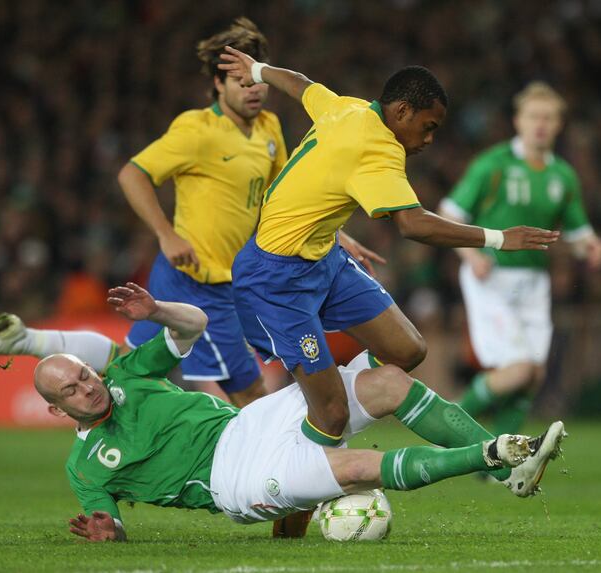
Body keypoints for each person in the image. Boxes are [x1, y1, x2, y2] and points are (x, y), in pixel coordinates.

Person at [0, 18, 381, 409]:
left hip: (233, 278)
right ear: (217, 83)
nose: (253, 89)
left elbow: (283, 192)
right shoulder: (196, 130)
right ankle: (280, 483)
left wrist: (337, 235)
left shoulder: (268, 128)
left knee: (131, 362)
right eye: (240, 81)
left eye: (256, 79)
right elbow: (132, 174)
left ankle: (26, 338)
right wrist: (164, 233)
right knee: (250, 393)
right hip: (202, 281)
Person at [217, 47, 560, 449]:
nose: (429, 139)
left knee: (407, 348)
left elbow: (303, 85)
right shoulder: (378, 147)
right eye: (428, 127)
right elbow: (412, 224)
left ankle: (335, 390)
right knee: (331, 416)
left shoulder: (349, 108)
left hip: (324, 259)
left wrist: (258, 69)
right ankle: (303, 439)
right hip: (274, 279)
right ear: (401, 113)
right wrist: (500, 238)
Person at [38, 282, 566, 542]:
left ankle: (510, 473)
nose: (87, 387)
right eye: (72, 390)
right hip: (235, 481)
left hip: (251, 423)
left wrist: (155, 311)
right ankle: (493, 453)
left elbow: (193, 325)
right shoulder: (84, 469)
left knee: (388, 382)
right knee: (356, 468)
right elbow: (114, 523)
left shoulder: (127, 375)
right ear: (57, 408)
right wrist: (113, 532)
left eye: (85, 374)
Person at [439, 82, 601, 438]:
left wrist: (592, 246)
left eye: (548, 117)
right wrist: (470, 256)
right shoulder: (493, 165)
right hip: (492, 276)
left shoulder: (562, 175)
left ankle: (499, 463)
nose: (540, 124)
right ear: (518, 121)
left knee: (534, 375)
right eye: (534, 116)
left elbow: (578, 235)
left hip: (534, 282)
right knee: (518, 370)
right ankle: (446, 425)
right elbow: (448, 214)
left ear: (559, 124)